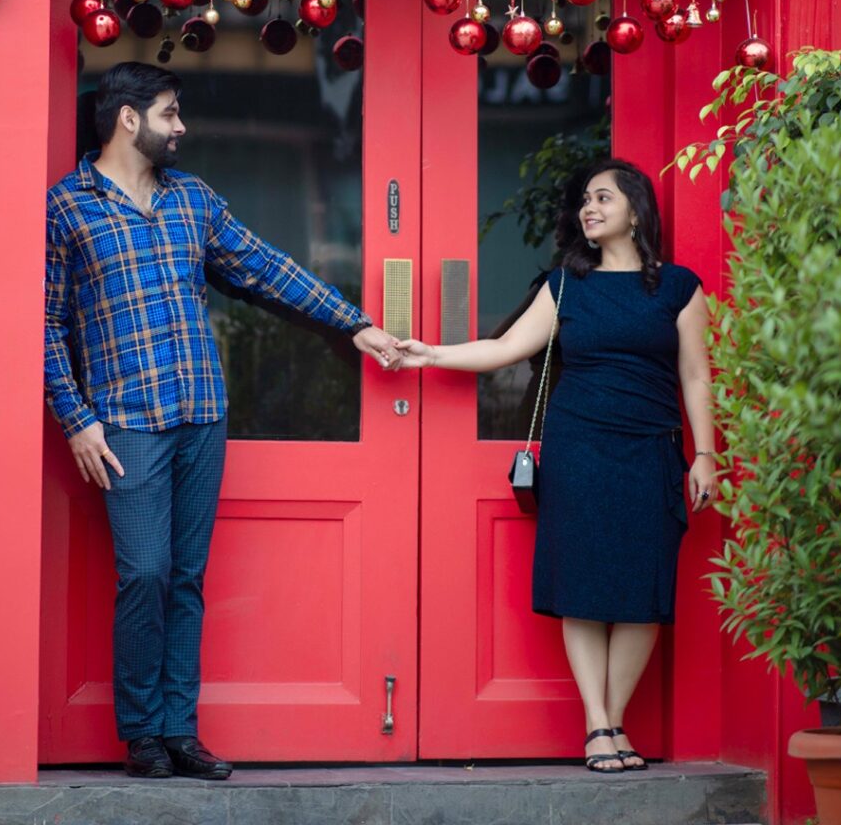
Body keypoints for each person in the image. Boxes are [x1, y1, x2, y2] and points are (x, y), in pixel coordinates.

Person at [44, 62, 399, 780]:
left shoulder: (194, 201)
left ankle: (180, 730)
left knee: (187, 576)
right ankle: (142, 733)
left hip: (202, 412)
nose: (183, 128)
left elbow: (268, 269)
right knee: (145, 572)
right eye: (171, 114)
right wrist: (76, 417)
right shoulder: (67, 209)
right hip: (125, 421)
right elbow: (45, 324)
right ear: (128, 119)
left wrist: (354, 324)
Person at [393, 158, 716, 773]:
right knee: (584, 587)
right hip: (580, 448)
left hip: (651, 449)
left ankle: (613, 719)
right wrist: (428, 353)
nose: (589, 209)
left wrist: (705, 454)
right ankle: (599, 726)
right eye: (585, 202)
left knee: (644, 593)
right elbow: (506, 348)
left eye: (603, 198)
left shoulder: (678, 287)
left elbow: (696, 376)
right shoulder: (565, 284)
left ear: (636, 210)